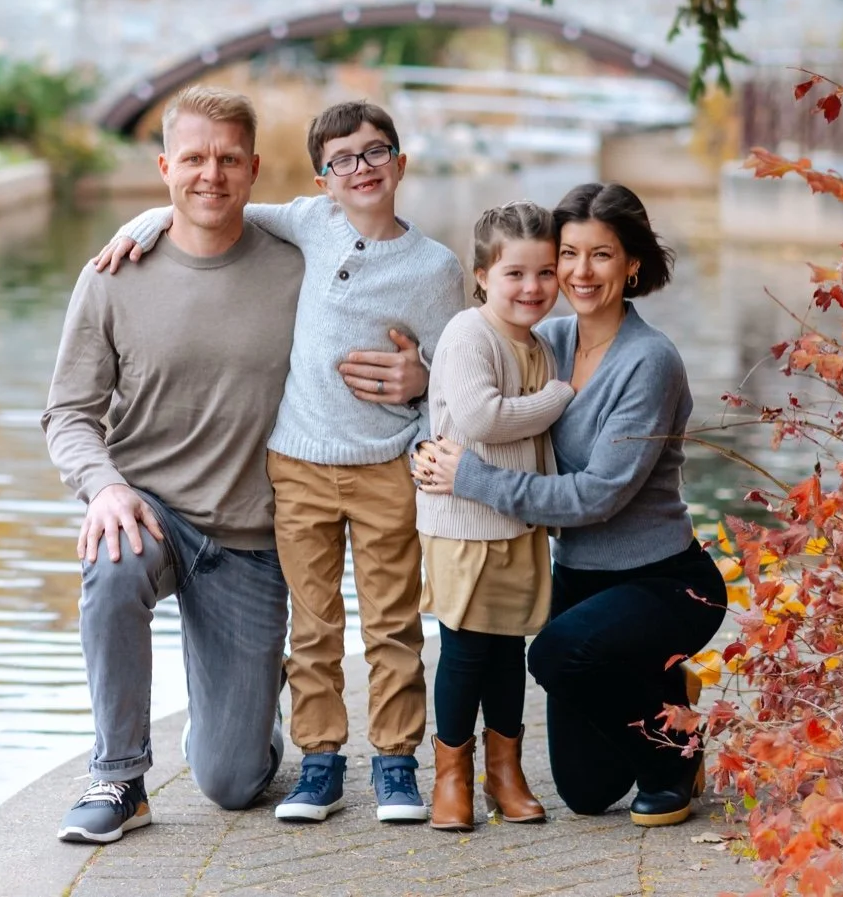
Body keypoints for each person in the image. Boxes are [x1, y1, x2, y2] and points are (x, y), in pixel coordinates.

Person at [94, 100, 465, 824]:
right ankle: (320, 760)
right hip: (295, 465)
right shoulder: (309, 223)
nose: (360, 168)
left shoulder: (436, 268)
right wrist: (141, 222)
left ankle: (395, 761)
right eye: (341, 159)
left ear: (401, 162)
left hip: (386, 463)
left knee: (391, 621)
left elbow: (455, 374)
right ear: (322, 179)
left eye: (375, 152)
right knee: (314, 621)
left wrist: (422, 392)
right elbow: (221, 207)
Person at [415, 182, 727, 827]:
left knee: (554, 653)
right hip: (582, 579)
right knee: (586, 793)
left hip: (664, 580)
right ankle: (662, 689)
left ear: (632, 263)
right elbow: (475, 390)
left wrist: (471, 479)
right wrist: (419, 397)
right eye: (570, 255)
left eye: (602, 255)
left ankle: (679, 754)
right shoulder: (546, 340)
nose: (580, 273)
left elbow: (600, 494)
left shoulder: (650, 361)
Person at [42, 86, 307, 843]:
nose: (210, 176)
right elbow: (68, 413)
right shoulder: (114, 272)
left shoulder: (300, 269)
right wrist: (105, 487)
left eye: (229, 159)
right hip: (151, 510)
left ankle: (246, 722)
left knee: (232, 783)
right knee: (111, 553)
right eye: (193, 158)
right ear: (164, 166)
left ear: (255, 169)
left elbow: (383, 278)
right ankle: (119, 775)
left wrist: (419, 374)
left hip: (252, 542)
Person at [416, 201, 571, 832]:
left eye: (543, 274)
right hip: (463, 523)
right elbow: (480, 420)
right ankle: (450, 777)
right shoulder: (468, 334)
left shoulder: (536, 343)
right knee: (465, 650)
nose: (531, 288)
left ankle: (505, 774)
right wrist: (560, 398)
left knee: (509, 652)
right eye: (514, 274)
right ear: (482, 275)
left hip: (517, 522)